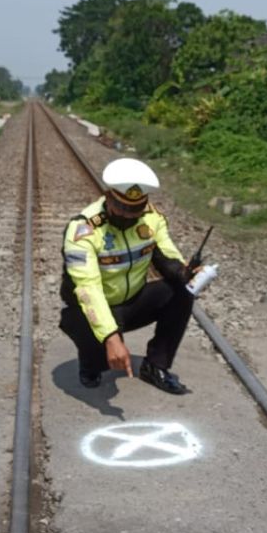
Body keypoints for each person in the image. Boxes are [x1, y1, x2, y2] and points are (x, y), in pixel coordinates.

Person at [60, 157, 197, 394]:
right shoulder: (83, 231)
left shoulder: (151, 218)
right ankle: (90, 363)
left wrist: (185, 272)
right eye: (122, 208)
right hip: (94, 308)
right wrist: (112, 338)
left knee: (181, 292)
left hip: (133, 301)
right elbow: (88, 290)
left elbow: (167, 253)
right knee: (100, 356)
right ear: (108, 197)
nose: (129, 216)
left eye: (135, 210)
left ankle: (156, 366)